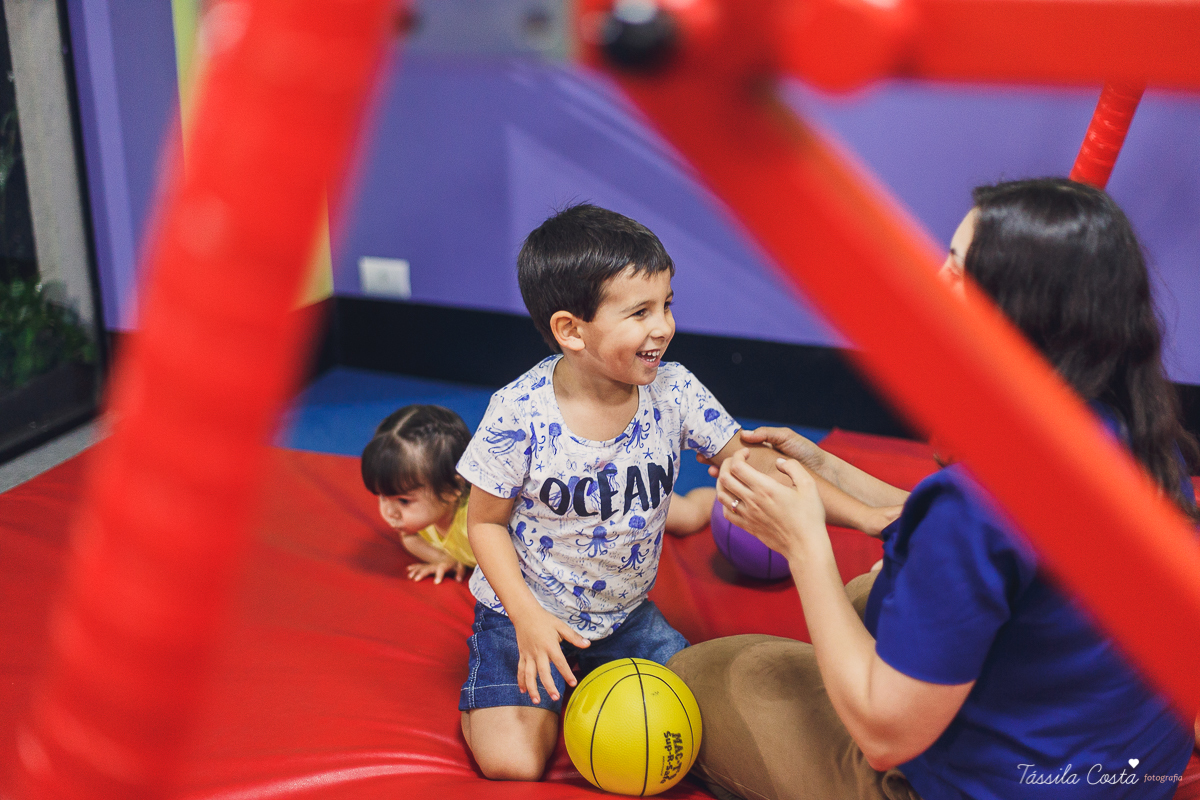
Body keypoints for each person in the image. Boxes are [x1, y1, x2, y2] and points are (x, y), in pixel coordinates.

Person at [669, 178, 1199, 800]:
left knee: (698, 674)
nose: (936, 282)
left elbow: (886, 737)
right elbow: (999, 547)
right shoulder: (1138, 438)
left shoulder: (978, 504)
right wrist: (832, 470)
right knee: (873, 589)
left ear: (1015, 311)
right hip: (1132, 773)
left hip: (977, 780)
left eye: (956, 268)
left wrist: (803, 542)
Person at [455, 204, 900, 781]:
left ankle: (592, 676)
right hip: (526, 617)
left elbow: (753, 462)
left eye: (667, 304)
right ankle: (486, 694)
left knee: (702, 723)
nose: (663, 326)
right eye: (639, 312)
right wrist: (526, 619)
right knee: (512, 764)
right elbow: (484, 523)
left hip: (625, 616)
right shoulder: (518, 412)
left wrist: (868, 517)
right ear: (571, 330)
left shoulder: (674, 389)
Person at [361, 404, 478, 584]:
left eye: (403, 501)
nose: (390, 512)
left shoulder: (477, 525)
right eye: (383, 497)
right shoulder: (419, 522)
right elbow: (409, 537)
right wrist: (444, 559)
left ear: (451, 489)